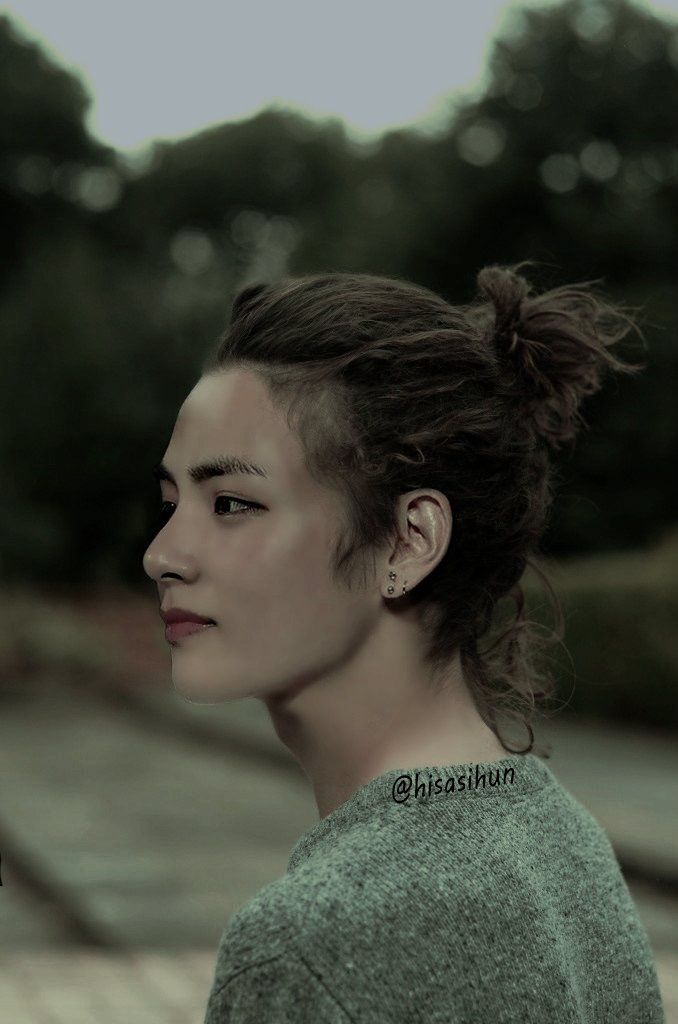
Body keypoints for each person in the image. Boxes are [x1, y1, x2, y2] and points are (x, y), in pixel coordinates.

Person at [143, 262, 665, 1023]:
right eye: (169, 502)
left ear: (408, 541)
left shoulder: (309, 943)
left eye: (230, 503)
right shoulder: (557, 839)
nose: (163, 553)